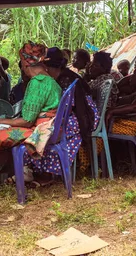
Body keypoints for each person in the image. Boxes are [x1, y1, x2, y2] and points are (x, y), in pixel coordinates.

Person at [0, 44, 61, 194]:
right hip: (45, 128)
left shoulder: (38, 83)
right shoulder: (50, 81)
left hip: (38, 132)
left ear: (27, 63)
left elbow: (27, 121)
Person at [28, 47, 98, 182]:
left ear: (50, 68)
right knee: (47, 127)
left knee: (51, 130)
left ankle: (47, 172)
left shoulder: (66, 79)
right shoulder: (61, 76)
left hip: (84, 116)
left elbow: (67, 109)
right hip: (74, 113)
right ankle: (42, 170)